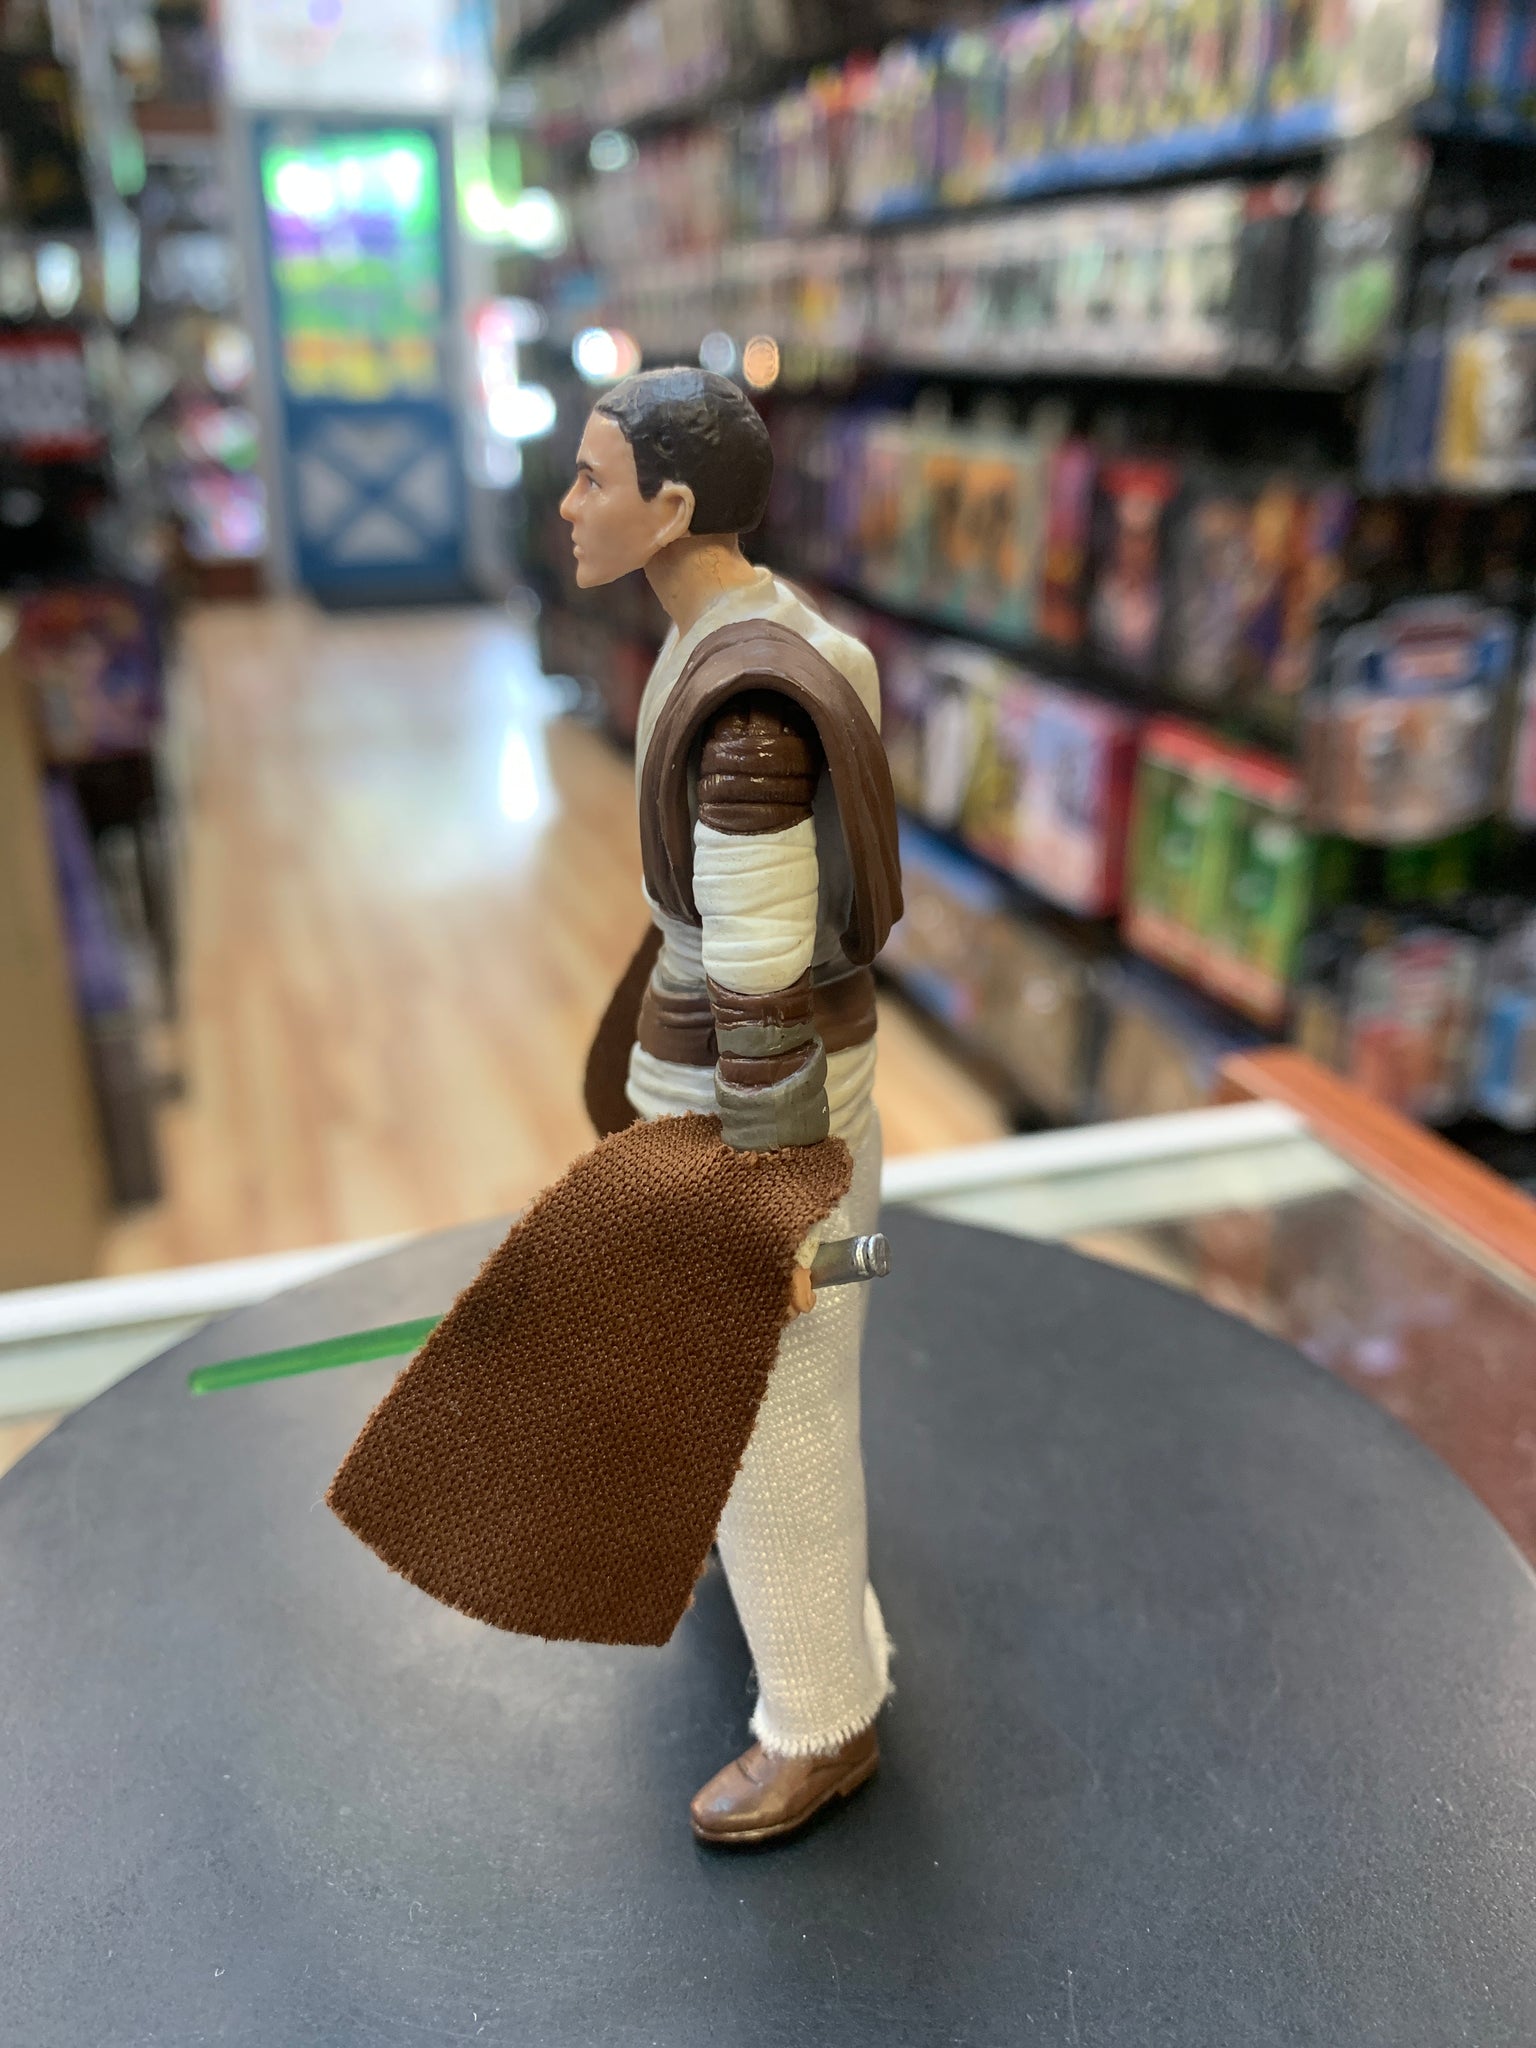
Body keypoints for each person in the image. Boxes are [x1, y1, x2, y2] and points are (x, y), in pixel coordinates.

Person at [561, 366, 901, 1845]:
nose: (570, 504)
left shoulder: (747, 711)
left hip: (762, 1129)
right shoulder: (755, 640)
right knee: (744, 1393)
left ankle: (822, 1717)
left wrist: (772, 1215)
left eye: (594, 478)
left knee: (776, 1413)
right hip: (745, 1113)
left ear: (673, 506)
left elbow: (760, 979)